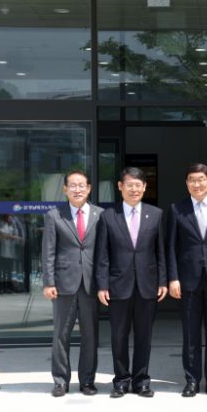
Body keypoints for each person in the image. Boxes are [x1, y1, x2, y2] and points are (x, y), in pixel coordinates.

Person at [96, 167, 168, 399]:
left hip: (148, 284)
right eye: (129, 185)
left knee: (144, 336)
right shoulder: (108, 216)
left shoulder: (156, 214)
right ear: (120, 187)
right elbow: (102, 254)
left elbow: (161, 251)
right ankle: (121, 381)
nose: (134, 189)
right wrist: (102, 285)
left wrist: (163, 280)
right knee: (118, 336)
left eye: (138, 185)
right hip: (118, 285)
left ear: (144, 187)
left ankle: (141, 381)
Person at [41, 170, 103, 397]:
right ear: (65, 189)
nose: (77, 190)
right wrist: (49, 282)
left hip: (91, 284)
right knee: (61, 335)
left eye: (82, 185)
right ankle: (60, 381)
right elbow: (48, 251)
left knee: (90, 335)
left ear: (89, 188)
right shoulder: (54, 215)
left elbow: (104, 253)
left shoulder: (100, 215)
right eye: (73, 186)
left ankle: (87, 380)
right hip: (63, 284)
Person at [167, 163, 207, 397]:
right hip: (188, 281)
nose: (197, 184)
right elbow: (171, 247)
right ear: (187, 183)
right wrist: (173, 278)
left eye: (201, 179)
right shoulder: (177, 209)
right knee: (190, 334)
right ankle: (192, 380)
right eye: (192, 179)